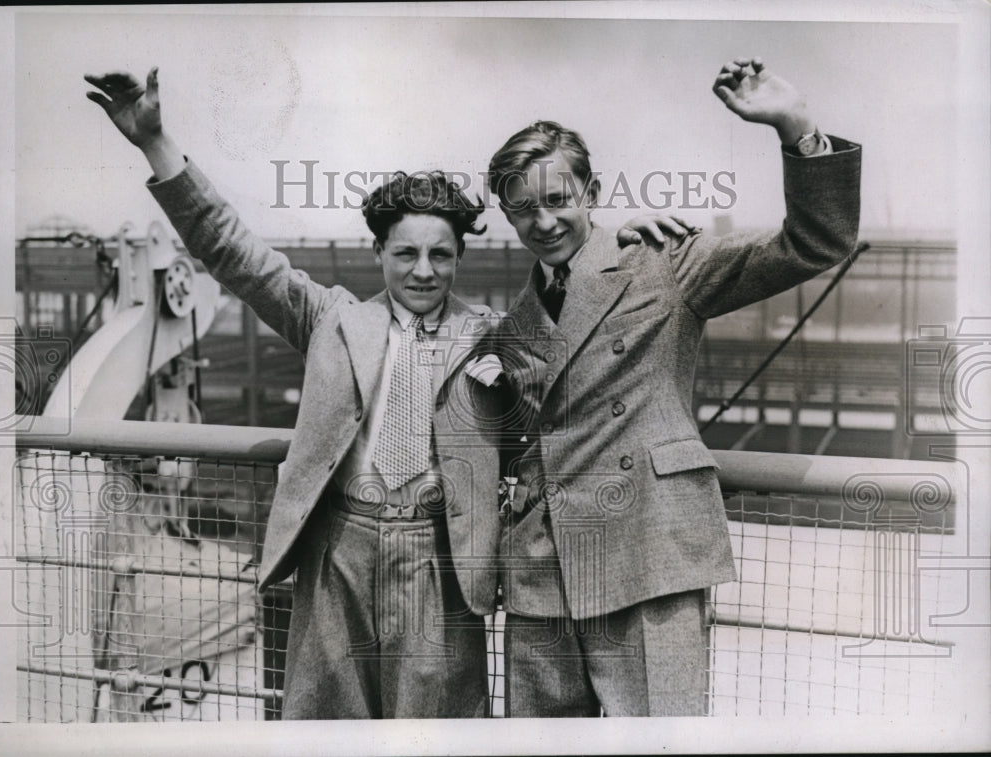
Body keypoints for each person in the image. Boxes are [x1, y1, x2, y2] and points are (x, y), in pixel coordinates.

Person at [84, 67, 681, 718]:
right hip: (339, 553)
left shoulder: (494, 334)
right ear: (378, 252)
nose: (424, 271)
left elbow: (572, 366)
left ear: (459, 258)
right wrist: (155, 142)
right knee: (328, 727)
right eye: (406, 254)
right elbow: (232, 251)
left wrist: (614, 245)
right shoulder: (330, 318)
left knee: (436, 731)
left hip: (440, 564)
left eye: (441, 255)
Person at [487, 57, 862, 716]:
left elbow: (815, 242)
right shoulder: (514, 323)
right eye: (523, 209)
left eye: (557, 200)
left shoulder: (664, 260)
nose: (543, 223)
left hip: (648, 555)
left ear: (590, 191)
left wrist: (794, 128)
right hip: (543, 573)